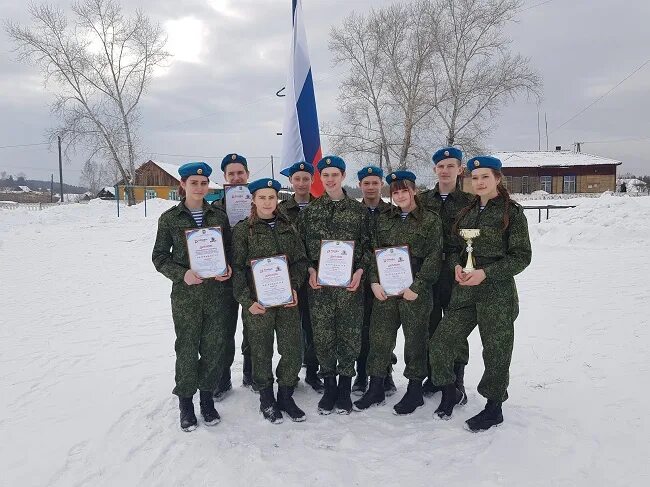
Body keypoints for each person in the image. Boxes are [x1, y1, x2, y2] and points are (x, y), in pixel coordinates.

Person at [429, 155, 532, 431]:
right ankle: (451, 392)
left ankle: (493, 407)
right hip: (464, 292)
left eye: (485, 176)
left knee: (496, 352)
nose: (480, 182)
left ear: (497, 178)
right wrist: (456, 268)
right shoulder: (467, 212)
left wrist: (485, 273)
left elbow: (521, 257)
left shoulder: (512, 213)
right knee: (440, 343)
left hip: (496, 294)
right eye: (475, 178)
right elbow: (453, 248)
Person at [152, 162, 233, 431]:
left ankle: (207, 399)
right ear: (183, 185)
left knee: (213, 347)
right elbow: (160, 257)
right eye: (194, 182)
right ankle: (186, 402)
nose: (200, 187)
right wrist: (182, 273)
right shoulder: (170, 219)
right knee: (187, 347)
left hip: (216, 294)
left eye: (204, 182)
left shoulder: (218, 217)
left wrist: (227, 268)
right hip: (187, 295)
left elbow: (228, 250)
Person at [354, 171, 443, 415]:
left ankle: (414, 390)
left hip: (414, 293)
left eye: (405, 190)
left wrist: (418, 286)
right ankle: (376, 387)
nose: (401, 195)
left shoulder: (430, 220)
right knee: (379, 339)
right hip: (386, 291)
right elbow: (373, 253)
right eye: (395, 192)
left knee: (415, 341)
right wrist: (373, 282)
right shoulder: (384, 219)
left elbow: (435, 256)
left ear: (414, 190)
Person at [232, 178, 308, 423]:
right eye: (262, 197)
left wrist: (294, 287)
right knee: (261, 352)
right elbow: (236, 269)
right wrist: (246, 301)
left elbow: (300, 261)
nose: (267, 202)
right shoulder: (244, 230)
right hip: (258, 304)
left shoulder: (288, 226)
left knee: (293, 350)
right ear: (253, 200)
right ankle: (266, 397)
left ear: (278, 199)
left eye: (271, 197)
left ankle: (285, 394)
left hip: (286, 303)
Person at [297, 155, 370, 415]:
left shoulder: (359, 212)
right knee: (324, 335)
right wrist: (310, 270)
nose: (329, 179)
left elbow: (368, 248)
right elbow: (301, 249)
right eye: (325, 175)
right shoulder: (311, 212)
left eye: (334, 175)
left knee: (350, 336)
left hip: (351, 287)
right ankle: (329, 388)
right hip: (321, 289)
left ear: (342, 176)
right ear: (320, 178)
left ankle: (344, 387)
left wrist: (360, 271)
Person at [419, 147, 473, 399]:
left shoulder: (469, 203)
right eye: (441, 166)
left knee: (454, 328)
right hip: (429, 272)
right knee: (429, 324)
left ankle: (457, 379)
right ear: (434, 170)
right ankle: (434, 376)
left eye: (450, 166)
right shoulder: (423, 201)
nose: (445, 170)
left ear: (460, 170)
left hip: (457, 273)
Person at [278, 161, 324, 393]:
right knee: (291, 328)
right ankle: (291, 372)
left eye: (306, 178)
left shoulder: (322, 207)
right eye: (297, 179)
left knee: (314, 326)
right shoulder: (281, 210)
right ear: (291, 181)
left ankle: (313, 372)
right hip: (290, 277)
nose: (302, 183)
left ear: (312, 180)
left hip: (320, 275)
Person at [213, 153, 253, 400]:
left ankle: (252, 372)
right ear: (225, 178)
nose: (237, 178)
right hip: (223, 280)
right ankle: (222, 378)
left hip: (253, 278)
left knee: (253, 329)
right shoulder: (216, 210)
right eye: (232, 174)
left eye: (240, 173)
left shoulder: (261, 203)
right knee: (224, 329)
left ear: (248, 175)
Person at [354, 166, 397, 397]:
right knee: (362, 328)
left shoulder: (393, 213)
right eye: (366, 183)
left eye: (375, 182)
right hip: (359, 279)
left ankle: (385, 372)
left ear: (381, 184)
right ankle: (361, 375)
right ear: (360, 185)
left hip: (386, 279)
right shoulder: (353, 212)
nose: (370, 187)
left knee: (385, 329)